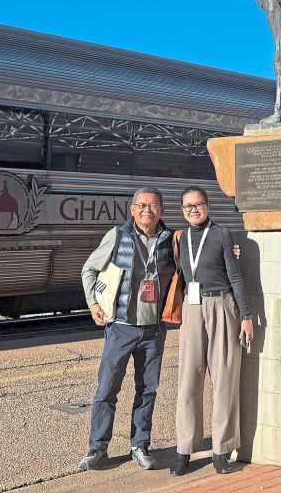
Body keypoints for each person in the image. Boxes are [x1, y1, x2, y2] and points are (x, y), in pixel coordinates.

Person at [78, 186, 176, 472]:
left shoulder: (172, 241)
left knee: (147, 391)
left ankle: (140, 444)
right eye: (142, 206)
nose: (148, 210)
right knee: (107, 390)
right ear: (132, 210)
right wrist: (93, 302)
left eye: (153, 206)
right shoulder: (117, 235)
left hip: (154, 331)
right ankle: (98, 448)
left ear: (162, 210)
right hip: (120, 328)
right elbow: (89, 269)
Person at [170, 185, 253, 476]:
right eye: (188, 206)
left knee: (224, 379)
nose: (193, 209)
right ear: (182, 210)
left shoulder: (221, 234)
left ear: (207, 207)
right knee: (188, 379)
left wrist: (246, 315)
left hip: (222, 305)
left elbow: (235, 275)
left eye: (198, 204)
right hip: (192, 310)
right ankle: (184, 448)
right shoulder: (178, 238)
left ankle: (221, 449)